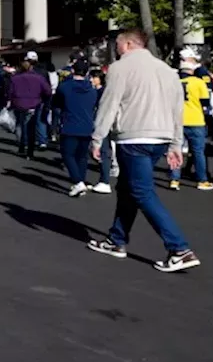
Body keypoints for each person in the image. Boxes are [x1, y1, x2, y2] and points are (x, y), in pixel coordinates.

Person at [86, 30, 200, 272]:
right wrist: (175, 143)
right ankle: (116, 240)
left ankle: (179, 248)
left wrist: (97, 138)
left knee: (142, 192)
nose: (116, 50)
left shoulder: (119, 68)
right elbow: (176, 109)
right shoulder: (167, 71)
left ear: (128, 44)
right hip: (161, 136)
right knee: (128, 189)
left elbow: (109, 103)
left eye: (118, 45)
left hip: (133, 137)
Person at [54, 62, 102, 196]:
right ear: (87, 73)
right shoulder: (92, 90)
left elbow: (57, 104)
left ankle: (78, 182)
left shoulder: (64, 87)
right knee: (82, 156)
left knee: (67, 154)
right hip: (87, 125)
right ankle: (80, 181)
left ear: (73, 70)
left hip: (70, 124)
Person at [179, 52, 213, 191]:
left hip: (178, 119)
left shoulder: (174, 81)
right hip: (196, 119)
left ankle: (175, 178)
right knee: (199, 151)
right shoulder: (199, 82)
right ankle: (202, 179)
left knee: (176, 150)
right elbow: (205, 103)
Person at [7, 53, 51, 160]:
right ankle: (29, 150)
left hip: (18, 104)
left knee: (20, 124)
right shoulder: (39, 78)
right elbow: (48, 91)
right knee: (30, 127)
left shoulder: (15, 78)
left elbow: (10, 92)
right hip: (34, 104)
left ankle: (22, 145)